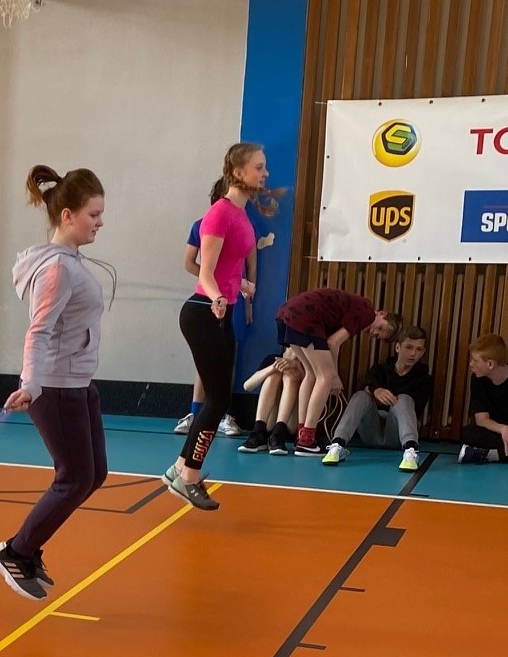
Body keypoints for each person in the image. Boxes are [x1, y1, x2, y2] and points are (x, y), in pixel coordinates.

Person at [0, 164, 114, 600]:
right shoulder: (57, 269)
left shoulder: (71, 263)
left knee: (94, 474)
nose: (100, 222)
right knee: (74, 478)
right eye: (93, 214)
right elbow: (38, 331)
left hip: (79, 384)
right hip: (56, 388)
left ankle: (26, 548)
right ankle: (16, 553)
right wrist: (31, 383)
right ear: (67, 215)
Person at [163, 142, 266, 511]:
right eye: (258, 167)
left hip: (223, 311)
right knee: (219, 399)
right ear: (238, 172)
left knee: (221, 396)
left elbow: (228, 267)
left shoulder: (242, 214)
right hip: (203, 312)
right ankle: (189, 476)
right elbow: (204, 272)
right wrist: (218, 296)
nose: (265, 173)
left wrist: (241, 286)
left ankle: (180, 468)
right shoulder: (220, 214)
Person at [173, 184, 271, 437]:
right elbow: (191, 263)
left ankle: (222, 413)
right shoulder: (205, 223)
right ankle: (196, 411)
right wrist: (214, 285)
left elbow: (250, 265)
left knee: (228, 356)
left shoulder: (246, 225)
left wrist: (247, 297)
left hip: (233, 300)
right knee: (206, 358)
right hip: (212, 300)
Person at [269, 286, 395, 454]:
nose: (373, 332)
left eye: (377, 335)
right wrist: (334, 376)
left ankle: (302, 435)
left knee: (311, 374)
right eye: (381, 328)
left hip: (288, 312)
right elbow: (333, 343)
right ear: (382, 313)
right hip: (305, 315)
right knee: (325, 377)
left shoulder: (353, 310)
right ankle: (307, 440)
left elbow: (331, 343)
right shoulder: (367, 312)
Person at [321, 326, 431, 471]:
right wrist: (376, 390)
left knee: (404, 399)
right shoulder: (380, 369)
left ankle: (411, 451)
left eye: (418, 349)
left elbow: (414, 410)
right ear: (398, 347)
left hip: (398, 435)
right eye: (409, 347)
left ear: (423, 352)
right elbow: (366, 385)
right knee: (361, 395)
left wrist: (391, 400)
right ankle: (338, 445)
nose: (413, 353)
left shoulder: (423, 378)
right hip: (371, 431)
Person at [459, 334, 508, 463]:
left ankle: (493, 455)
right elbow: (481, 419)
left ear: (490, 364)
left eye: (475, 360)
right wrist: (504, 429)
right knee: (468, 433)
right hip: (501, 435)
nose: (471, 364)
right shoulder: (478, 379)